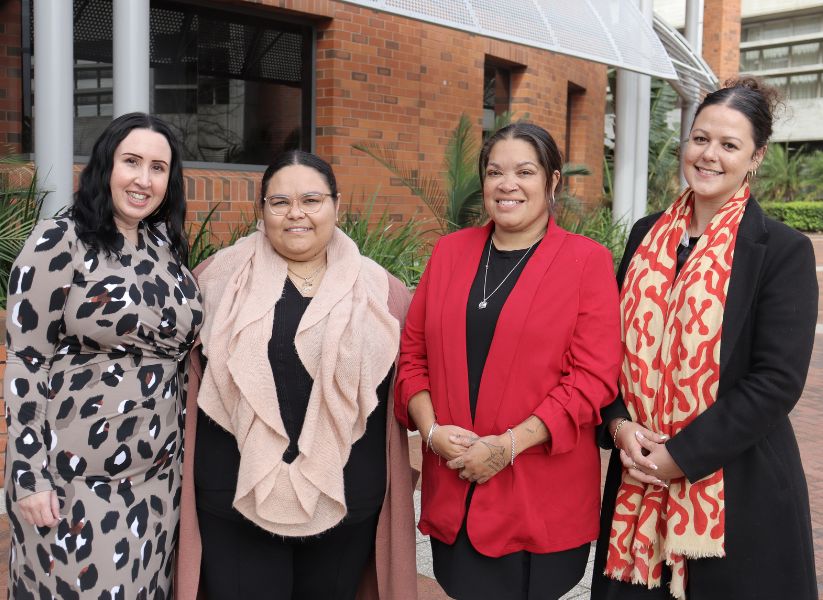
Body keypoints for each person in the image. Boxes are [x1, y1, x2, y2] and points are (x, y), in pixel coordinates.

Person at [591, 78, 818, 600]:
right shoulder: (645, 235)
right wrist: (619, 425)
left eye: (729, 144)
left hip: (739, 489)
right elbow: (611, 349)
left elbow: (777, 381)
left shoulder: (781, 251)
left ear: (755, 157)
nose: (708, 155)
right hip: (637, 481)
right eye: (699, 138)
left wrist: (681, 457)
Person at [175, 150, 417, 600]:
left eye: (311, 199)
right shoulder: (213, 282)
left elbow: (413, 382)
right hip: (235, 495)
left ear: (336, 206)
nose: (295, 214)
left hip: (344, 498)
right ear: (261, 209)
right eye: (280, 202)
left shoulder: (383, 292)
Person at [394, 122, 622, 600]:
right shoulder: (450, 253)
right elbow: (413, 356)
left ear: (553, 181)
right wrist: (432, 432)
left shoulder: (587, 261)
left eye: (525, 171)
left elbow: (592, 379)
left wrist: (508, 446)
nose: (508, 184)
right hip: (455, 482)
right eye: (495, 171)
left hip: (537, 491)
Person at [3, 112, 202, 599]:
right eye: (131, 162)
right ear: (104, 166)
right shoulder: (60, 239)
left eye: (158, 167)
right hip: (74, 481)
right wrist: (29, 475)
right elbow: (28, 360)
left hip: (158, 478)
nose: (143, 179)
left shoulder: (163, 246)